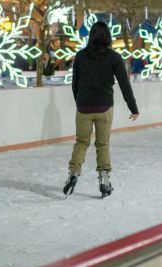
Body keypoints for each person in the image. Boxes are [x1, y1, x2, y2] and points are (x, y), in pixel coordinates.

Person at [64, 21, 139, 198]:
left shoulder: (81, 56)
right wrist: (133, 107)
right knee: (102, 144)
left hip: (84, 106)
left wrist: (80, 102)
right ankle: (104, 180)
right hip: (104, 106)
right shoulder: (114, 57)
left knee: (81, 142)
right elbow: (124, 84)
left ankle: (73, 173)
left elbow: (75, 84)